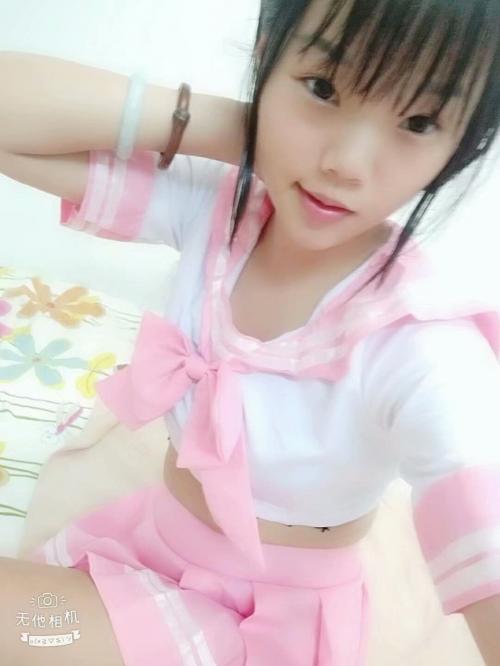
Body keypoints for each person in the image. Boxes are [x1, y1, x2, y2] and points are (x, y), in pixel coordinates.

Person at [1, 0, 500, 663]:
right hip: (143, 551)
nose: (346, 163)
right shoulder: (221, 207)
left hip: (257, 629)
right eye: (322, 86)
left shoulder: (422, 344)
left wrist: (295, 107)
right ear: (269, 52)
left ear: (460, 145)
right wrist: (238, 127)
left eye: (419, 122)